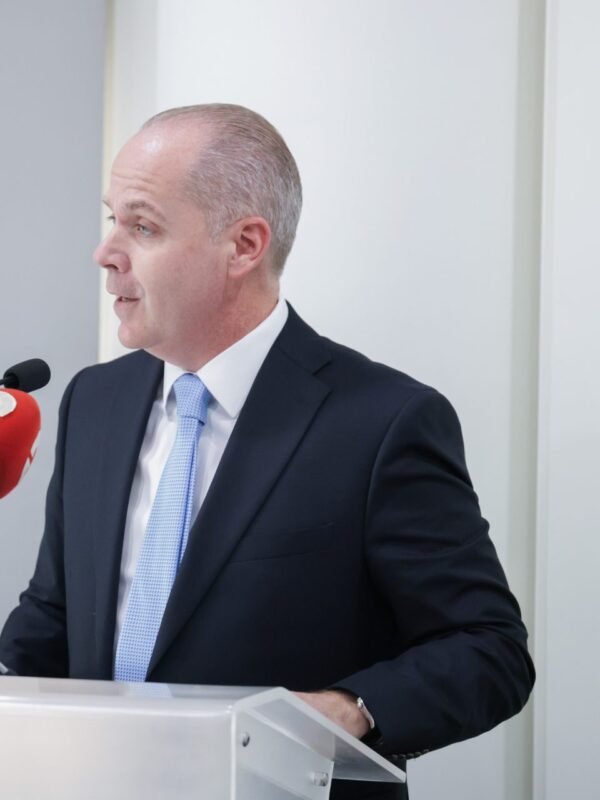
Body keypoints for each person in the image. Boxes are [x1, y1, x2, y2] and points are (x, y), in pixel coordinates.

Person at [0, 104, 534, 799]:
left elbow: (489, 650)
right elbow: (55, 616)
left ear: (245, 245)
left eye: (143, 226)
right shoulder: (93, 400)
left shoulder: (383, 421)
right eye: (112, 220)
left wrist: (348, 711)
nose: (106, 253)